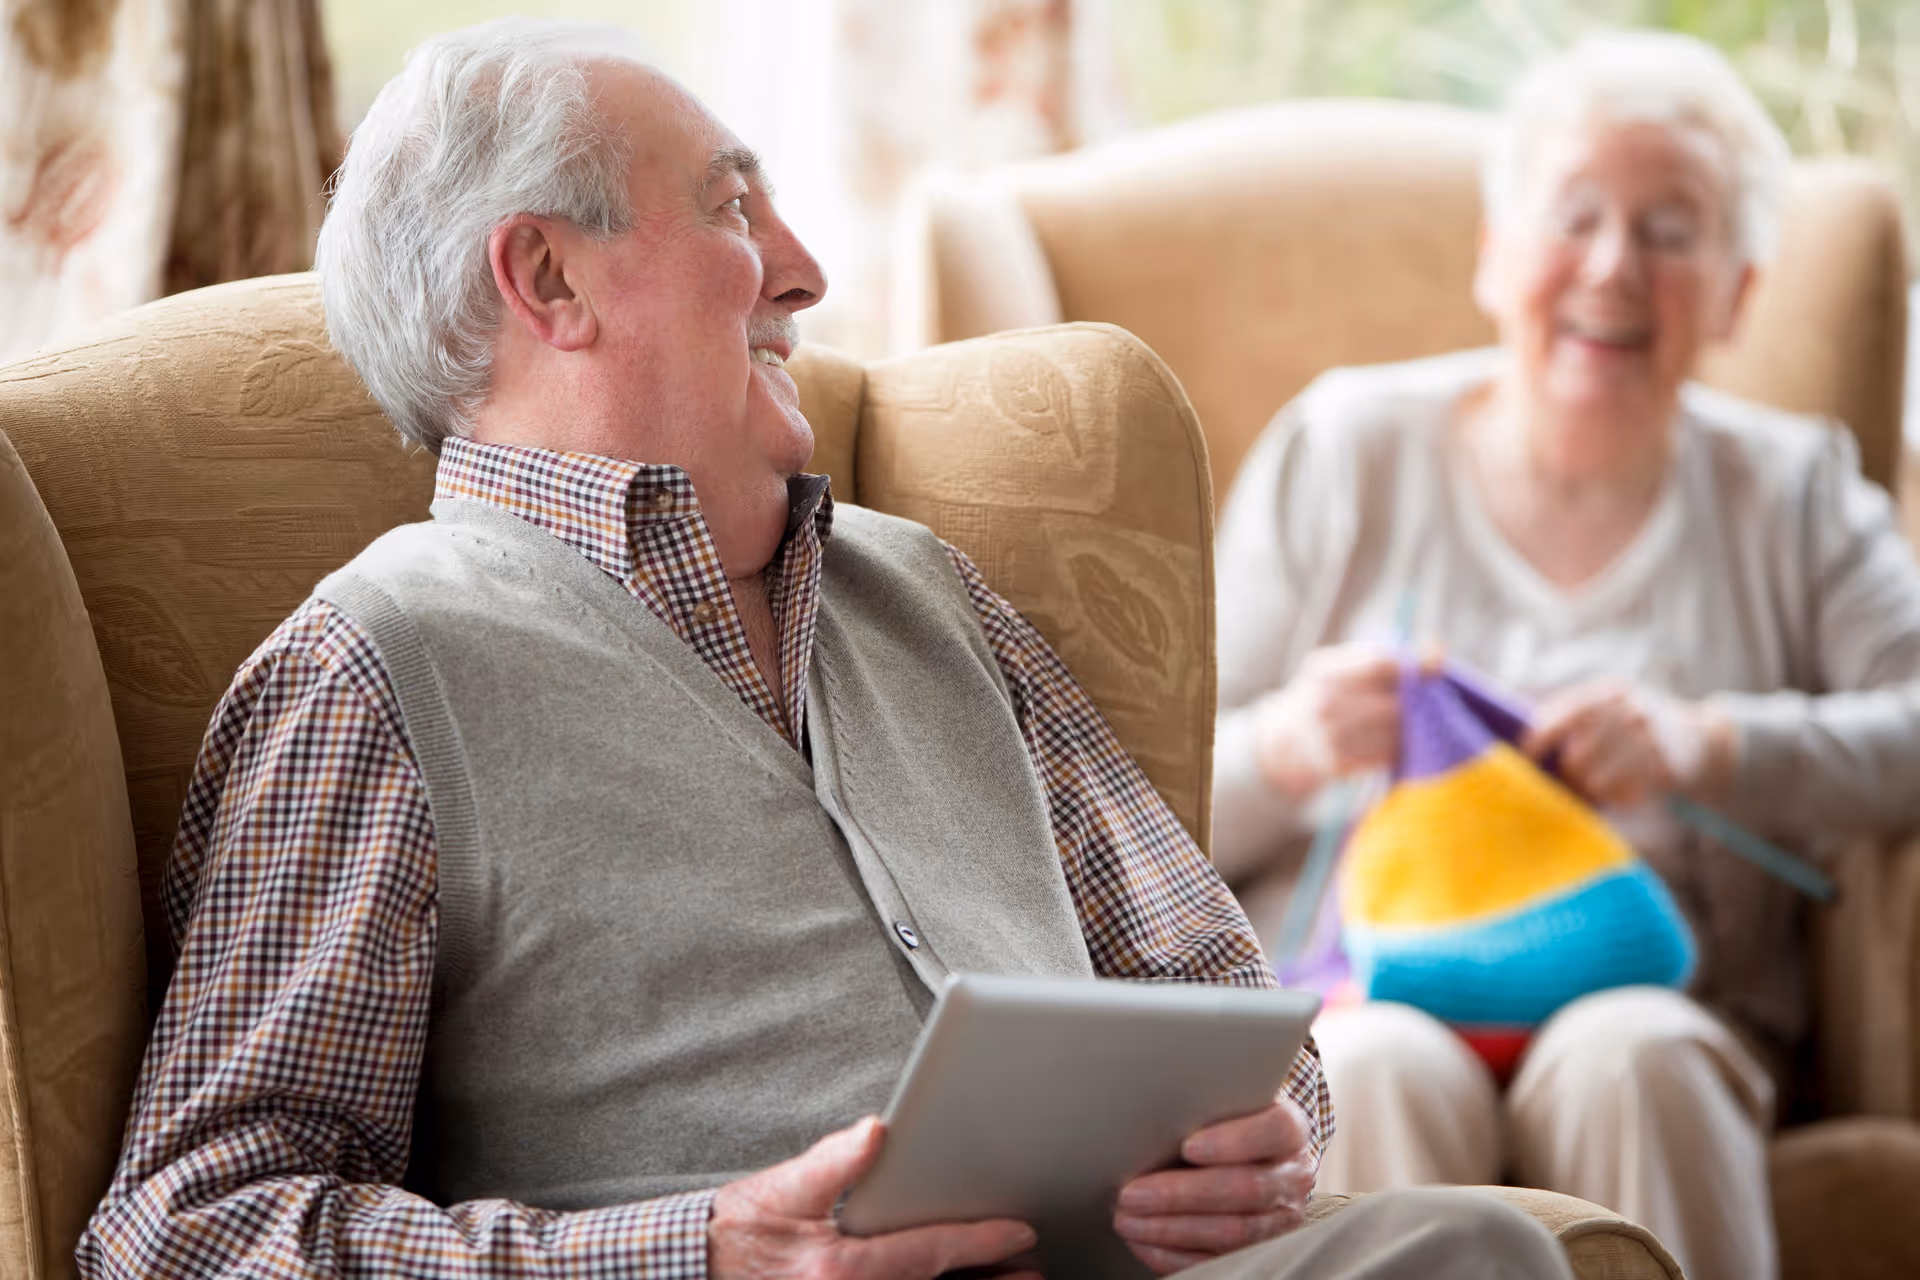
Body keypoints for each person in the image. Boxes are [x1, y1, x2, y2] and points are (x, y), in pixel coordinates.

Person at [77, 20, 1571, 1280]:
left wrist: (1264, 1134)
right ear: (548, 280)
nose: (803, 272)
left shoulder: (930, 591)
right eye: (733, 209)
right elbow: (181, 1229)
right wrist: (700, 1251)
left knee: (1477, 1250)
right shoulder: (374, 671)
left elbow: (1221, 998)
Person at [1211, 30, 1920, 1280]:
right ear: (1495, 253)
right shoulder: (1346, 447)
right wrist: (1292, 741)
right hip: (1373, 986)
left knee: (1634, 1052)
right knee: (1371, 1061)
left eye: (1672, 229)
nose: (1612, 266)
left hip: (1673, 1003)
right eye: (1575, 215)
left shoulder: (1795, 489)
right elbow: (1128, 798)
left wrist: (1714, 743)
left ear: (1742, 288)